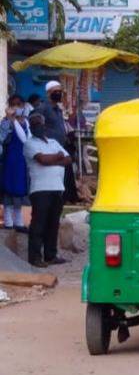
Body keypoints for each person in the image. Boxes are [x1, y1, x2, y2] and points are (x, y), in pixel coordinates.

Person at [23, 114, 71, 267]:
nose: (36, 126)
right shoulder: (29, 144)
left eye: (39, 123)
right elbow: (42, 160)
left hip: (57, 188)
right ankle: (35, 257)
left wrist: (52, 160)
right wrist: (57, 157)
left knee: (53, 224)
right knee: (38, 224)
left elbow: (68, 159)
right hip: (40, 189)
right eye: (33, 124)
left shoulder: (53, 142)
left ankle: (50, 255)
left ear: (44, 125)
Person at [37, 80, 78, 204]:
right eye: (56, 91)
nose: (59, 94)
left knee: (64, 172)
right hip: (49, 148)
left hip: (61, 146)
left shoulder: (58, 110)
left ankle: (65, 197)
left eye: (60, 91)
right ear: (48, 93)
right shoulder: (43, 108)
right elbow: (36, 125)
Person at [0, 95, 31, 232]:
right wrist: (9, 120)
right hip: (10, 161)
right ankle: (8, 221)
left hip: (23, 162)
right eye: (13, 104)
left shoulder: (26, 123)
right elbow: (2, 138)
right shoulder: (6, 122)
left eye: (19, 104)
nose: (16, 107)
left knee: (20, 190)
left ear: (23, 105)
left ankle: (19, 222)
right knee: (9, 188)